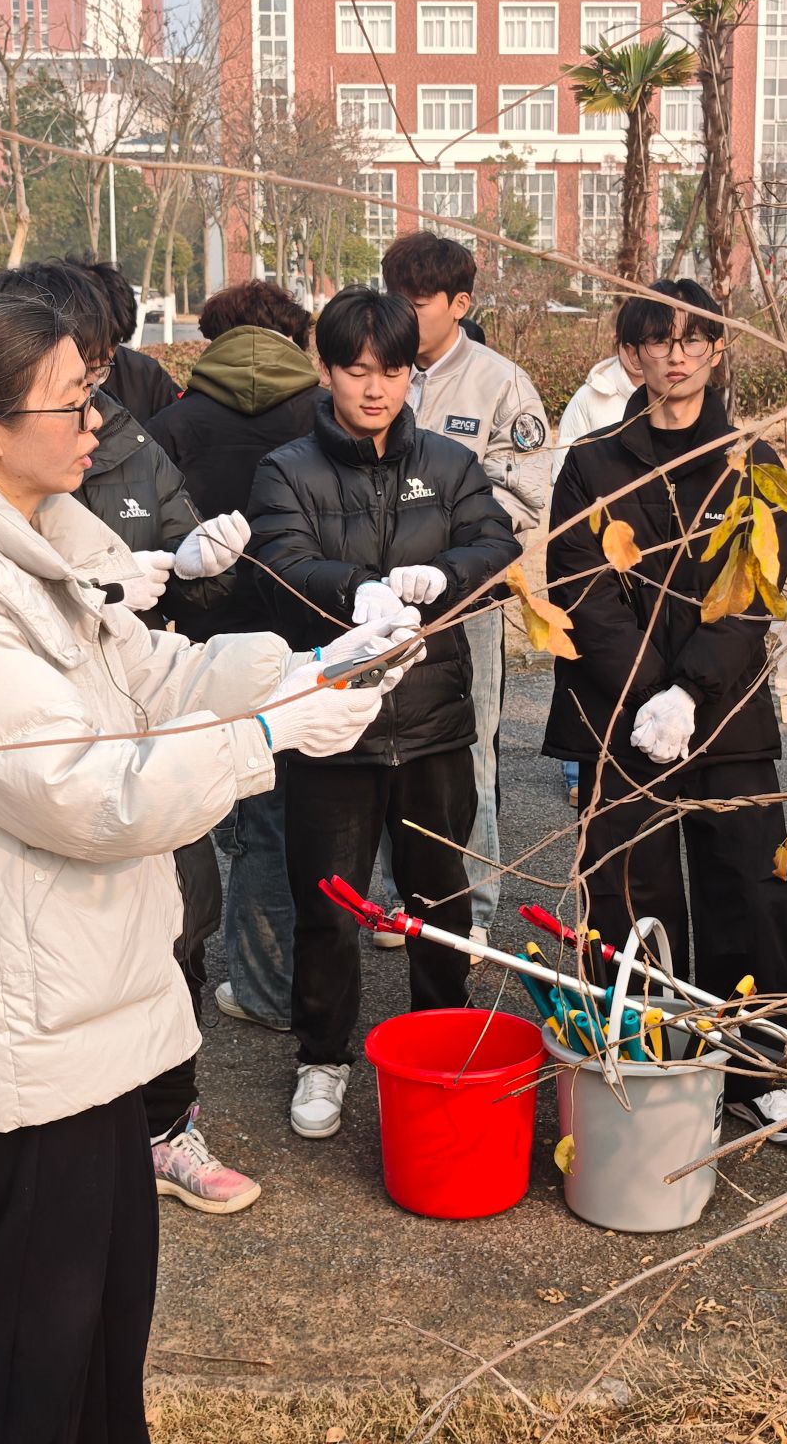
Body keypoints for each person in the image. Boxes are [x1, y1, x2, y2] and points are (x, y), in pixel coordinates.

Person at [0, 293, 402, 1441]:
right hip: (20, 1019)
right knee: (26, 1341)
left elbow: (149, 678)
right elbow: (84, 793)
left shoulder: (41, 555)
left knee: (102, 1310)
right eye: (71, 402)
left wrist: (304, 667)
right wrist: (266, 738)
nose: (97, 421)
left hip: (80, 995)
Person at [0, 259, 259, 1213]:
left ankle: (167, 1125)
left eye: (97, 371)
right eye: (73, 381)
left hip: (142, 733)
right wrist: (86, 599)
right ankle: (63, 1135)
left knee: (177, 924)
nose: (93, 404)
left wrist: (200, 567)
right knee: (52, 950)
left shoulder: (130, 443)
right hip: (48, 760)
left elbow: (194, 601)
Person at [542, 278, 787, 1146]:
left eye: (696, 338)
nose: (678, 355)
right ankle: (644, 1058)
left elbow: (755, 590)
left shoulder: (752, 462)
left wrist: (691, 690)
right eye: (657, 340)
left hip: (726, 714)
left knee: (750, 889)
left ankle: (756, 1068)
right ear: (631, 356)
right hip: (617, 716)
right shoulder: (593, 462)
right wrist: (648, 692)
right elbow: (580, 588)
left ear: (718, 350)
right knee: (629, 894)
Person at [249, 286, 520, 1140]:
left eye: (393, 371)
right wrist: (352, 590)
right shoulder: (287, 469)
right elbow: (280, 560)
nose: (375, 389)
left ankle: (441, 1041)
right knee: (328, 907)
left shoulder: (446, 462)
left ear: (412, 374)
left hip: (433, 722)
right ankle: (323, 1058)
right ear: (326, 369)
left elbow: (496, 545)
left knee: (442, 902)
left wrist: (447, 575)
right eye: (357, 370)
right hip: (333, 727)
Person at [375, 232, 552, 950]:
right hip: (378, 601)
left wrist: (445, 554)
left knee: (468, 751)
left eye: (419, 303)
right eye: (397, 299)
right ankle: (400, 898)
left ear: (460, 304)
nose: (405, 315)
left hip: (465, 600)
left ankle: (472, 909)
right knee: (385, 747)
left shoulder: (500, 383)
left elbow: (526, 495)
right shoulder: (373, 371)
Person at [152, 278, 320, 1035]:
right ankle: (280, 978)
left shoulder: (171, 424)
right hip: (306, 631)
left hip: (202, 643)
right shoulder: (323, 414)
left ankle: (252, 983)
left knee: (225, 809)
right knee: (289, 812)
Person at [551, 338, 640, 807]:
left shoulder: (675, 396)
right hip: (596, 537)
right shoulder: (590, 399)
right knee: (588, 647)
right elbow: (563, 469)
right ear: (624, 348)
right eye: (638, 346)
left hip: (640, 545)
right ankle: (577, 770)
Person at [73, 256, 182, 423]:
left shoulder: (147, 376)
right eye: (96, 343)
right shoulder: (41, 376)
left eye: (114, 342)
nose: (105, 357)